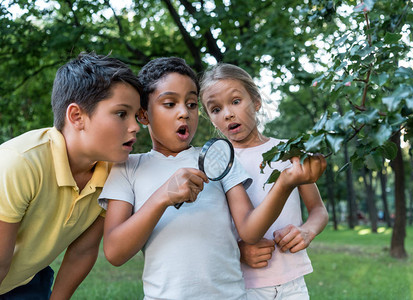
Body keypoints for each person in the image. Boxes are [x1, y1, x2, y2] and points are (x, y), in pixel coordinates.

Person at [99, 57, 326, 300]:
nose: (184, 113)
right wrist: (162, 197)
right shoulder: (127, 168)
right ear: (143, 115)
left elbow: (250, 231)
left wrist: (284, 183)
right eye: (169, 103)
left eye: (191, 104)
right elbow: (114, 253)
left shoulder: (219, 158)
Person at [0, 52, 143, 299]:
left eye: (136, 115)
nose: (135, 126)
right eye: (122, 114)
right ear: (77, 116)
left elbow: (82, 251)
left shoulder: (113, 174)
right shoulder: (21, 163)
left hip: (25, 281)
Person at [200, 63, 329, 300]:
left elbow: (318, 209)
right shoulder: (215, 165)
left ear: (256, 101)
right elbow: (207, 233)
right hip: (241, 286)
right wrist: (237, 251)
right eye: (215, 109)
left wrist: (307, 231)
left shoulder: (288, 151)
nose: (227, 113)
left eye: (236, 101)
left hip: (294, 285)